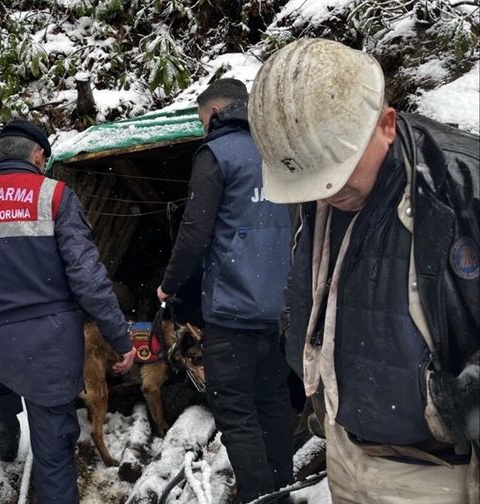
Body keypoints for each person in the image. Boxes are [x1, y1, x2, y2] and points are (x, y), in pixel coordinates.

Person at [248, 38, 479, 503]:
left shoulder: (460, 187)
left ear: (386, 125)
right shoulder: (326, 187)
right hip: (345, 449)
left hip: (433, 474)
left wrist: (455, 403)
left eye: (337, 175)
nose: (327, 193)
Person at [0, 119, 135, 503]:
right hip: (46, 345)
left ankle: (5, 428)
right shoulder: (54, 197)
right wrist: (119, 337)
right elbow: (88, 279)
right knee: (53, 449)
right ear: (37, 155)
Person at [157, 79, 295, 503]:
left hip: (231, 312)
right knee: (273, 405)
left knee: (236, 414)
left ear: (215, 110)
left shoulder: (216, 153)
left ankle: (259, 498)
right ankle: (283, 492)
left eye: (203, 121)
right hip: (277, 312)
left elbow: (195, 231)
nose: (203, 130)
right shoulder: (277, 151)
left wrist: (169, 285)